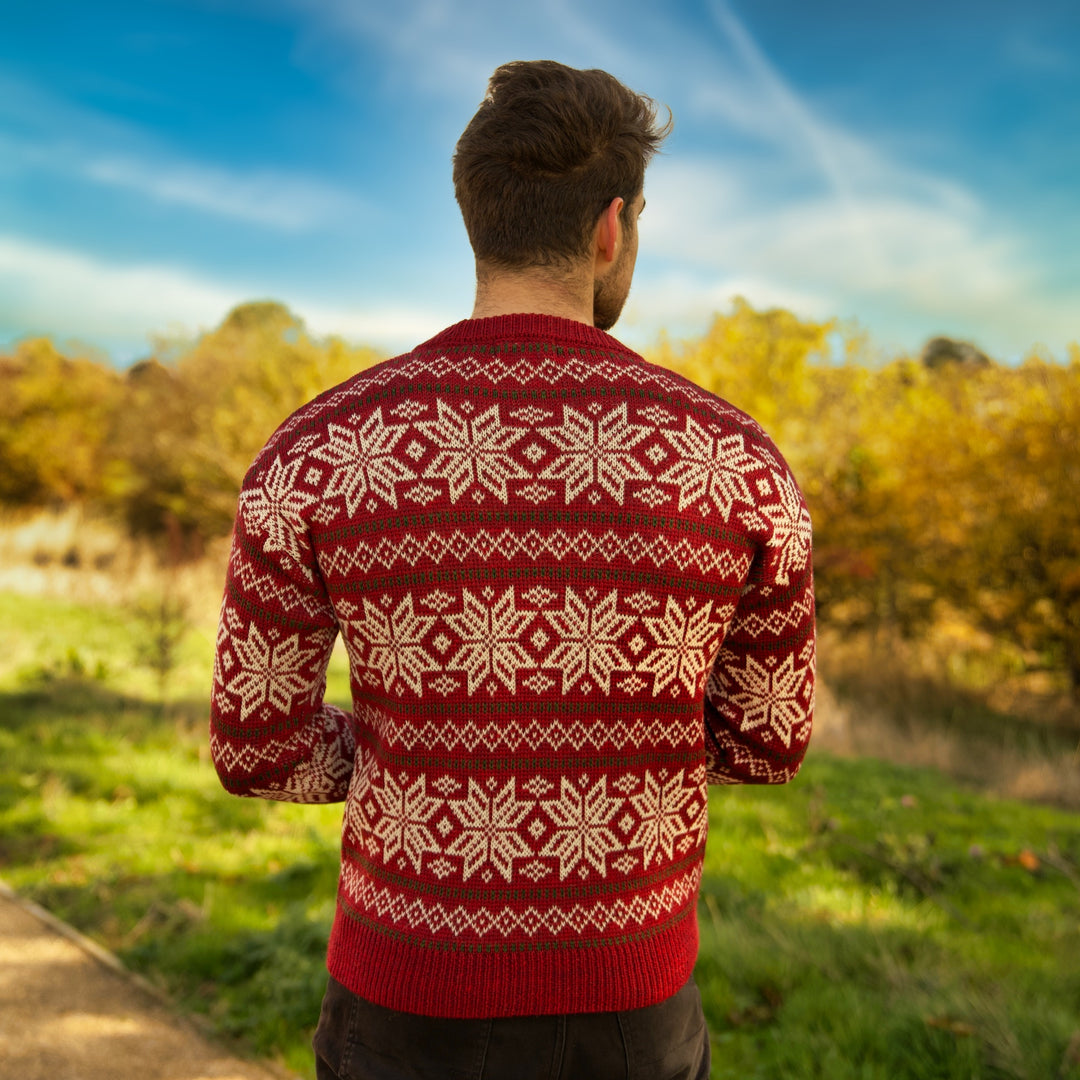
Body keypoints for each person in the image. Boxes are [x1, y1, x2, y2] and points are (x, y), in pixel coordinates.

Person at [210, 59, 815, 1080]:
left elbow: (254, 749)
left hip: (398, 1002)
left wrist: (427, 765)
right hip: (631, 1004)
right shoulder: (732, 460)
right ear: (611, 226)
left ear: (477, 221)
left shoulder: (321, 449)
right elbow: (767, 739)